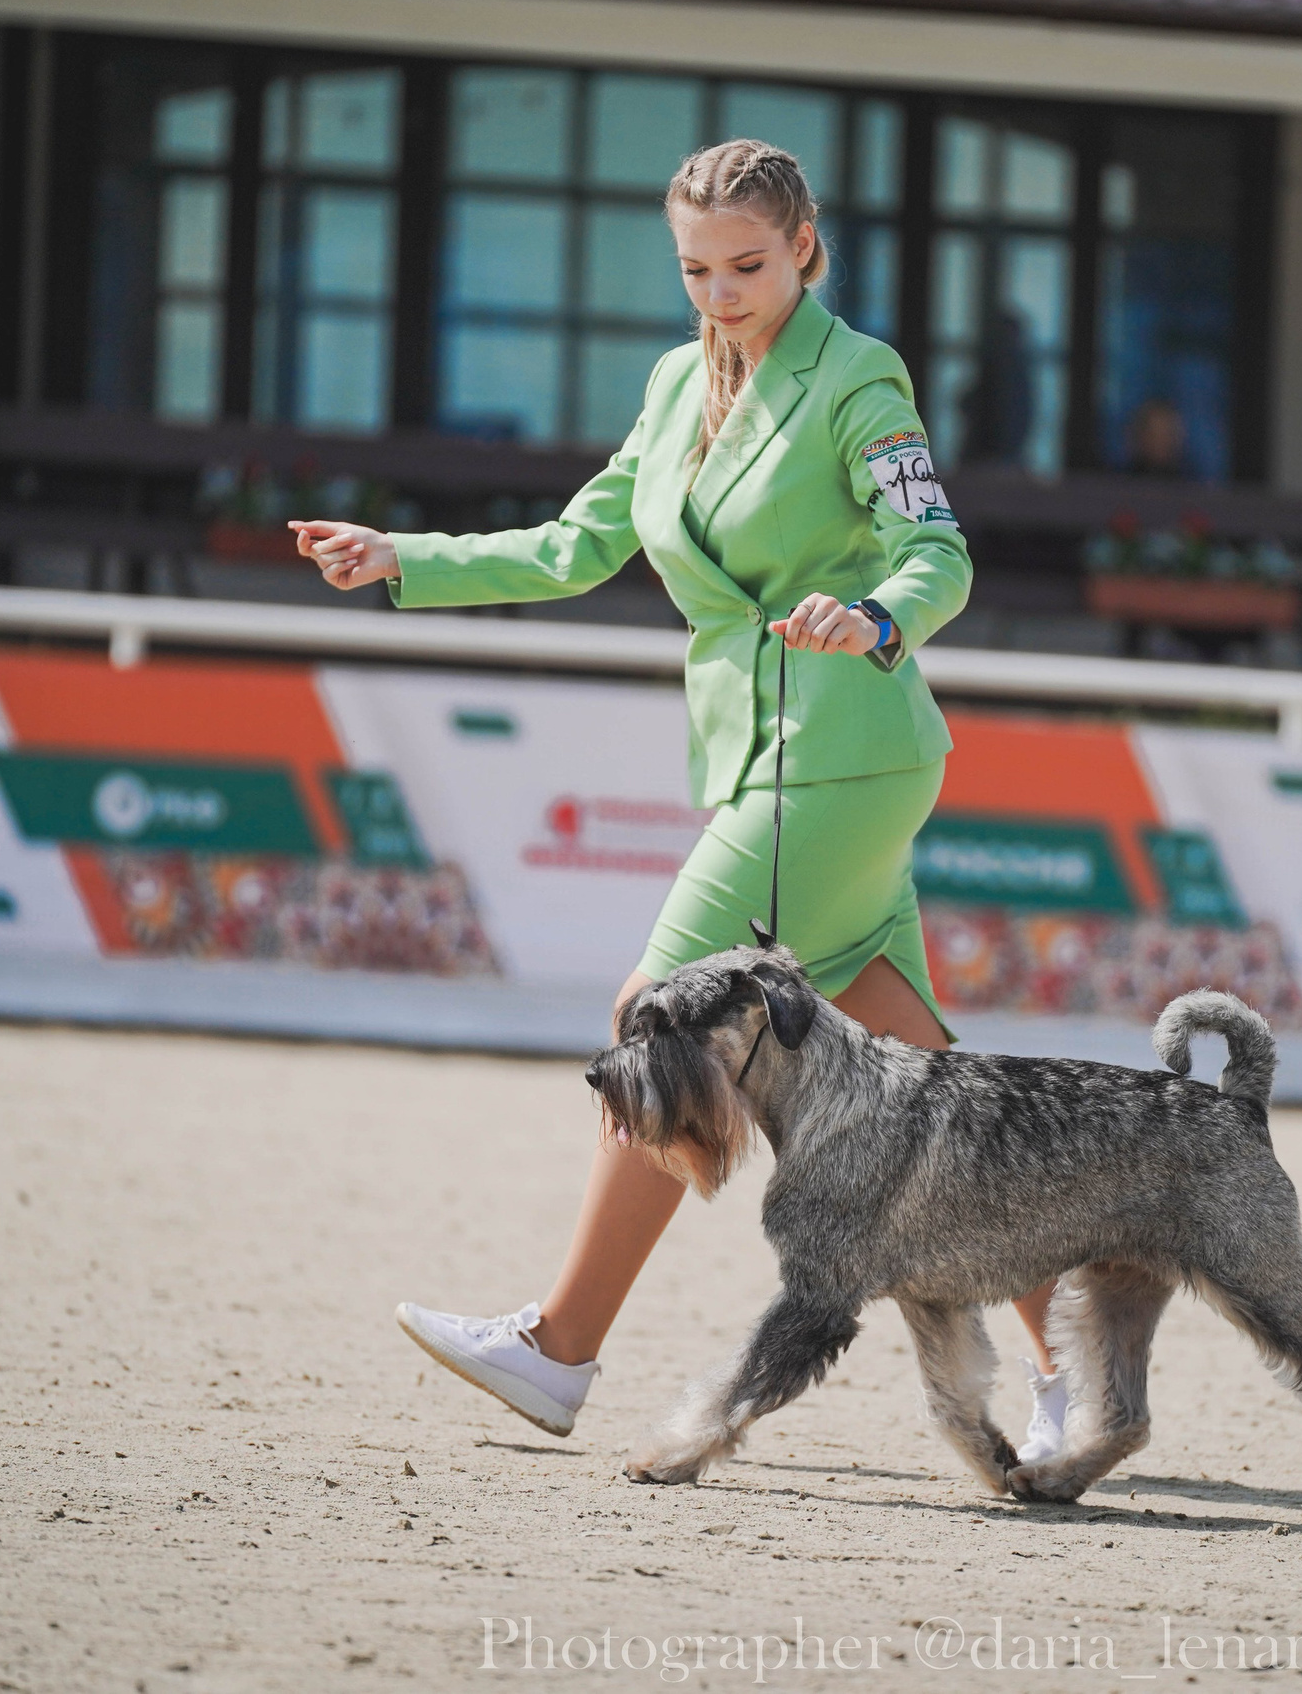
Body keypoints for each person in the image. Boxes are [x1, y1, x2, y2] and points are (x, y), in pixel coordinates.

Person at [287, 140, 1073, 1463]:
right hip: (775, 762)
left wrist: (878, 610)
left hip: (838, 747)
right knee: (928, 1090)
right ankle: (1079, 1372)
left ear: (807, 248)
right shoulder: (671, 383)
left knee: (661, 1016)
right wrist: (403, 557)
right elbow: (574, 544)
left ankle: (558, 1346)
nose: (721, 292)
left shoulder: (858, 376)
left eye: (750, 266)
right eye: (697, 269)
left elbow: (936, 548)